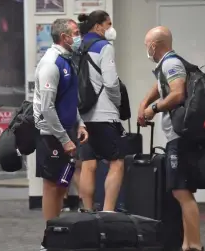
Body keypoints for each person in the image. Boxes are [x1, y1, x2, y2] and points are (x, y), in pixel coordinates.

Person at [138, 26, 204, 251]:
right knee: (181, 192)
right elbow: (161, 86)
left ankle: (194, 245)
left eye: (147, 44)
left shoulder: (170, 63)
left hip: (180, 139)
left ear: (155, 45)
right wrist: (143, 104)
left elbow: (177, 93)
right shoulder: (165, 65)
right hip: (177, 138)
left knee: (182, 193)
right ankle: (187, 244)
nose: (146, 48)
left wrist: (153, 109)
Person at [33, 18, 88, 251]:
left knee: (62, 185)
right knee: (52, 187)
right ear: (64, 37)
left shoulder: (69, 61)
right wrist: (64, 139)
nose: (78, 37)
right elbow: (47, 108)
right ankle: (49, 240)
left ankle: (57, 234)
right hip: (51, 134)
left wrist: (80, 124)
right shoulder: (51, 64)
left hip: (66, 130)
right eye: (75, 33)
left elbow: (68, 100)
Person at [77, 11, 126, 212]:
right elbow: (111, 82)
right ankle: (107, 212)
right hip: (105, 115)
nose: (110, 28)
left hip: (83, 116)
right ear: (98, 26)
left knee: (88, 165)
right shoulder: (104, 47)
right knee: (117, 163)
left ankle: (88, 212)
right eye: (108, 24)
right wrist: (118, 102)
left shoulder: (76, 47)